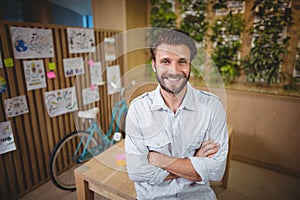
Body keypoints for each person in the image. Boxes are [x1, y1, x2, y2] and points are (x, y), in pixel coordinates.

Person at [125, 29, 228, 200]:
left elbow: (216, 171)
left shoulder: (212, 107)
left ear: (190, 65)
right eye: (165, 61)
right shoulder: (138, 110)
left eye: (182, 61)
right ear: (154, 65)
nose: (174, 70)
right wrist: (194, 164)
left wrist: (158, 159)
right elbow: (137, 171)